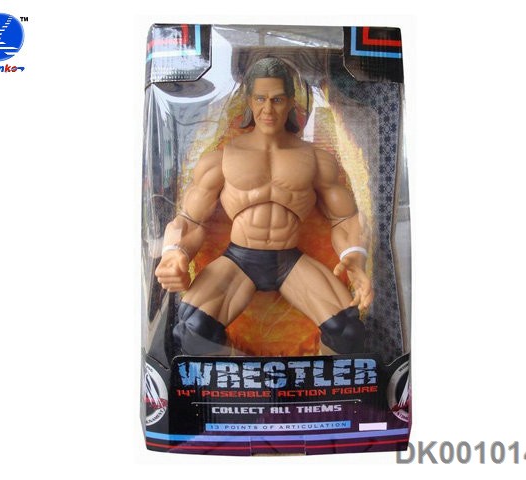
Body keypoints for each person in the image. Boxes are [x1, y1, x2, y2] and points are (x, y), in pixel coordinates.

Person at [155, 57, 372, 355]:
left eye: (277, 99)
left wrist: (355, 256)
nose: (268, 109)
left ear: (291, 102)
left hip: (289, 260)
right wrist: (174, 254)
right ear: (249, 100)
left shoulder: (316, 159)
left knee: (347, 331)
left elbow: (344, 218)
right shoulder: (221, 158)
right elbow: (190, 219)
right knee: (193, 331)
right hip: (239, 259)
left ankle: (318, 380)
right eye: (260, 98)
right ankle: (236, 377)